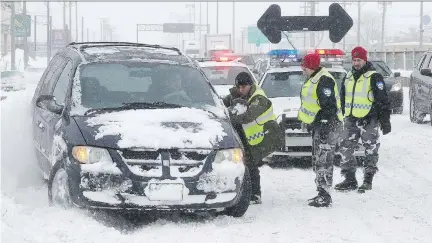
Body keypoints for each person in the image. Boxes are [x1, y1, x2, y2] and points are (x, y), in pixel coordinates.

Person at [335, 46, 391, 193]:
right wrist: (342, 113)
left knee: (370, 149)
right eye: (354, 60)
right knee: (345, 147)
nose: (356, 63)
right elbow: (342, 97)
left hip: (369, 120)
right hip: (351, 119)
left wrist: (385, 120)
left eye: (359, 60)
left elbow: (383, 100)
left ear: (365, 60)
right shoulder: (348, 76)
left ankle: (367, 180)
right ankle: (350, 179)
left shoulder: (374, 76)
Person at [223, 72, 283, 204]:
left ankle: (255, 194)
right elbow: (223, 102)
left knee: (251, 164)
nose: (240, 90)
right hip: (248, 136)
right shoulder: (238, 94)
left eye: (243, 87)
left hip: (263, 135)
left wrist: (227, 117)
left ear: (250, 85)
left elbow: (247, 117)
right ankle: (246, 192)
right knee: (245, 163)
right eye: (238, 87)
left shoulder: (259, 98)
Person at [297, 53, 343, 207]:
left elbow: (329, 106)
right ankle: (322, 191)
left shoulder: (324, 80)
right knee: (320, 159)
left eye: (305, 66)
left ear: (311, 66)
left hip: (328, 126)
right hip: (321, 125)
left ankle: (324, 195)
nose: (302, 69)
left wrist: (323, 124)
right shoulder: (314, 78)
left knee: (323, 160)